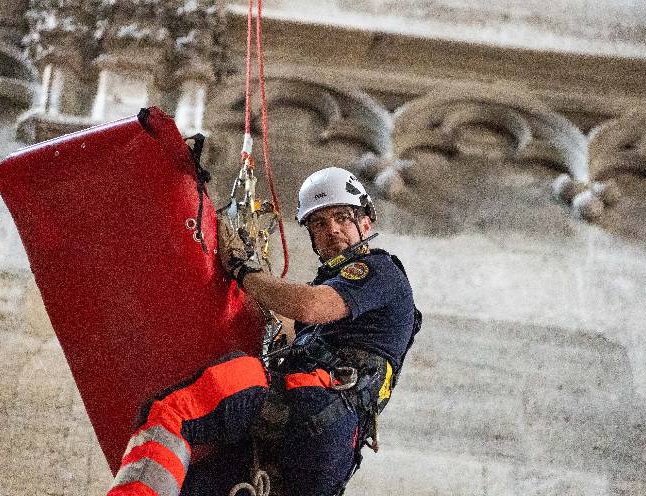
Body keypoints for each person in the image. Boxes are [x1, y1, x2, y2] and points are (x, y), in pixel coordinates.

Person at [107, 167, 420, 496]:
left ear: (366, 222)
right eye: (318, 223)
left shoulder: (378, 271)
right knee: (195, 485)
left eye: (342, 217)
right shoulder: (336, 295)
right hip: (322, 450)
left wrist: (245, 271)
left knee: (171, 411)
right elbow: (288, 323)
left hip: (312, 404)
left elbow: (309, 306)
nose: (332, 230)